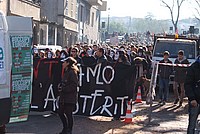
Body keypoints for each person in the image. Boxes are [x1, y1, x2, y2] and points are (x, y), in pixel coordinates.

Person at [58, 57, 79, 134]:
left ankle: (69, 130)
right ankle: (65, 128)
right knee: (60, 112)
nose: (62, 64)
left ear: (67, 63)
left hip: (70, 97)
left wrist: (64, 89)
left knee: (68, 114)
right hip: (64, 97)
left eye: (64, 62)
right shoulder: (66, 71)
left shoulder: (72, 72)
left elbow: (74, 85)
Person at [185, 56, 200, 134]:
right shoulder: (193, 67)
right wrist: (192, 98)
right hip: (195, 101)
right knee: (192, 126)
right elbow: (187, 84)